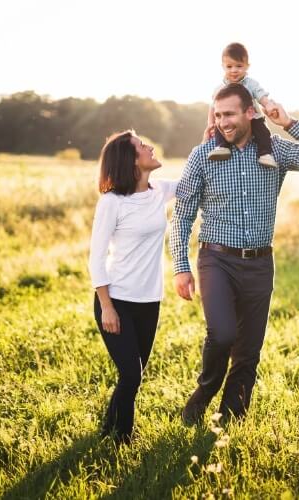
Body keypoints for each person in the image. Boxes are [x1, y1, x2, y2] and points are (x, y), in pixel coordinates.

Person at [170, 83, 299, 425]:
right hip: (217, 259)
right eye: (217, 115)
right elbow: (183, 214)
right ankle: (203, 395)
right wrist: (181, 267)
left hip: (261, 263)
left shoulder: (273, 150)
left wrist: (288, 123)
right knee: (223, 335)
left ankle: (231, 420)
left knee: (248, 351)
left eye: (229, 114)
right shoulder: (202, 156)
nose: (222, 122)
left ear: (250, 113)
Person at [88, 131, 178, 445]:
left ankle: (107, 430)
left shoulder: (160, 191)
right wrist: (107, 307)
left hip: (149, 300)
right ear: (131, 159)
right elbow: (96, 259)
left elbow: (198, 181)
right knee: (131, 374)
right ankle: (121, 440)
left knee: (133, 375)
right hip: (117, 300)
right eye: (142, 146)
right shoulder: (112, 202)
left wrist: (212, 134)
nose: (150, 146)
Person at [206, 42, 279, 168]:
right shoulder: (220, 89)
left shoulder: (251, 84)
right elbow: (213, 108)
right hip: (229, 121)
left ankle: (265, 154)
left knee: (263, 132)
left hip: (253, 117)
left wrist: (268, 105)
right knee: (220, 127)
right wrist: (210, 123)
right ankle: (222, 147)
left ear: (247, 66)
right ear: (223, 66)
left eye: (239, 66)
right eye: (229, 66)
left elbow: (261, 96)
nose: (234, 70)